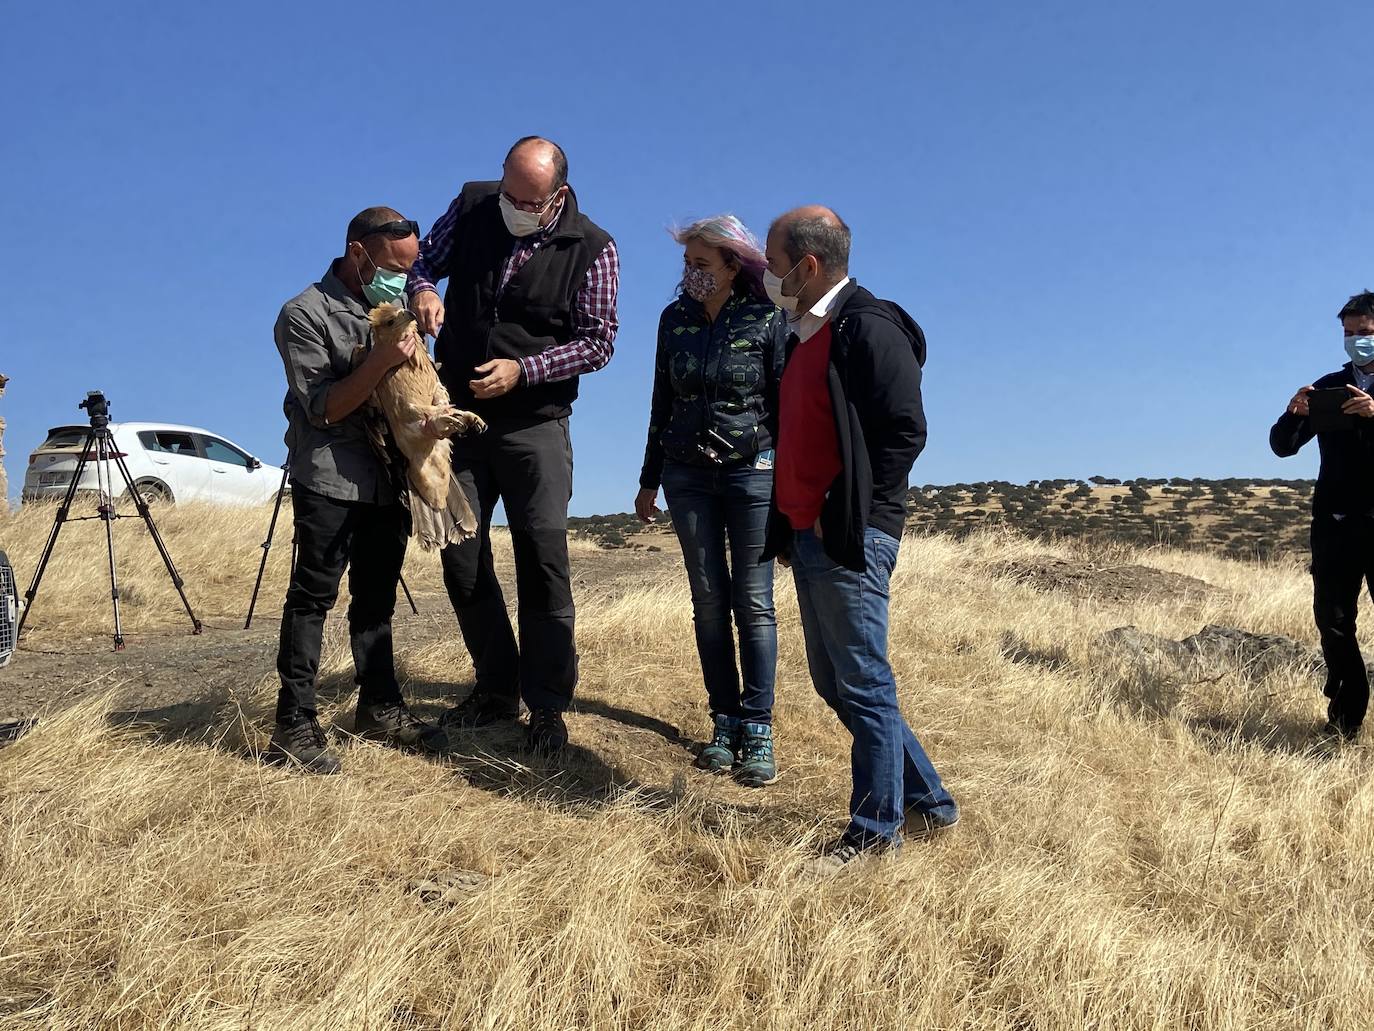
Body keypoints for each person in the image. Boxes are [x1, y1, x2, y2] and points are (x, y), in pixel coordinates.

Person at [759, 205, 958, 872]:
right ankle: (928, 801)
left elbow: (905, 431)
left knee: (864, 682)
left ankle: (875, 832)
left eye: (773, 258)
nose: (767, 271)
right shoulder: (799, 334)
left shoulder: (867, 328)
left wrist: (849, 513)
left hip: (850, 533)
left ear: (807, 265)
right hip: (811, 534)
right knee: (836, 680)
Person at [407, 137, 620, 757]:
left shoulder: (593, 247)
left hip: (535, 425)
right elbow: (424, 260)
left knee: (542, 560)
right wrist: (422, 285)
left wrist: (523, 370)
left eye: (527, 200)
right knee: (460, 555)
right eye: (508, 191)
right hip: (459, 417)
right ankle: (496, 686)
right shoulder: (475, 204)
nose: (513, 206)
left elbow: (598, 343)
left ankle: (548, 705)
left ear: (555, 193)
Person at [269, 206, 447, 774]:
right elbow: (324, 407)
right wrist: (379, 360)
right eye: (395, 266)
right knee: (312, 599)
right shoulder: (303, 314)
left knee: (376, 599)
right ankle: (294, 724)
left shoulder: (396, 313)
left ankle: (380, 707)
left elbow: (406, 396)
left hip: (387, 476)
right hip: (330, 474)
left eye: (412, 268)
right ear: (358, 252)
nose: (402, 279)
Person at [635, 215, 787, 787]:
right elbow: (660, 402)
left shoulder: (767, 317)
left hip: (752, 473)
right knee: (707, 600)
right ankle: (722, 720)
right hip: (686, 476)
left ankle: (758, 725)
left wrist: (790, 481)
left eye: (702, 263)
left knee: (754, 600)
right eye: (687, 263)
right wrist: (649, 479)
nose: (691, 273)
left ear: (732, 264)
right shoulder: (672, 321)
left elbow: (783, 403)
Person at [1270, 289, 1374, 741]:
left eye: (1365, 333)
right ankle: (1346, 716)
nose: (1356, 341)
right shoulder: (1329, 385)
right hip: (1335, 524)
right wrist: (1293, 414)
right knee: (1332, 622)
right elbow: (1282, 447)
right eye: (1349, 334)